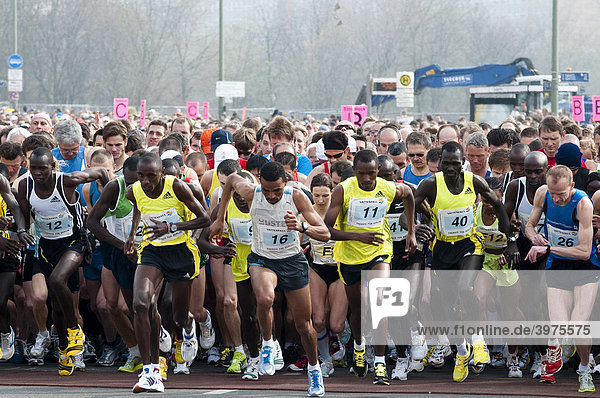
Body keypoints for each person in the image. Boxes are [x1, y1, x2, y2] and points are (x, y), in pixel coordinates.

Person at [210, 161, 331, 397]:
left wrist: (302, 226)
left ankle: (315, 371)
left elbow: (325, 233)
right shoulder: (251, 193)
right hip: (262, 258)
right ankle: (268, 345)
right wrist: (220, 216)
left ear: (285, 184)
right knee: (264, 298)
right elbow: (233, 179)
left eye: (276, 190)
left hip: (292, 260)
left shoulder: (296, 198)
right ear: (259, 185)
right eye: (266, 190)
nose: (271, 196)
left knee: (303, 325)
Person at [413, 141, 516, 383]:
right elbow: (410, 205)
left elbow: (499, 206)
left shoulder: (474, 181)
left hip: (470, 245)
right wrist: (417, 228)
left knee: (464, 288)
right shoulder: (429, 184)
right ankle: (461, 352)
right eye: (445, 163)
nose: (450, 168)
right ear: (439, 164)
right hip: (441, 248)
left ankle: (478, 341)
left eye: (455, 163)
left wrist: (510, 239)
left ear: (463, 163)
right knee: (448, 304)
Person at [324, 150, 416, 385]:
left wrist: (411, 232)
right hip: (350, 257)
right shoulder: (343, 190)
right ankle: (358, 346)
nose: (367, 179)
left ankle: (381, 363)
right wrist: (358, 236)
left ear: (378, 171)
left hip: (379, 252)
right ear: (354, 172)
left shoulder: (386, 187)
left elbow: (409, 195)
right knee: (357, 311)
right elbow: (326, 231)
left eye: (372, 173)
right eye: (362, 174)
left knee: (380, 304)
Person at [17, 147, 109, 376]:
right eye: (33, 168)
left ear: (52, 167)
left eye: (43, 169)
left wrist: (107, 202)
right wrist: (20, 229)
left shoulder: (67, 181)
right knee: (56, 308)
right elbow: (23, 211)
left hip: (74, 242)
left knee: (58, 281)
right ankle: (66, 350)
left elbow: (100, 172)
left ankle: (76, 332)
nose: (37, 173)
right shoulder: (25, 185)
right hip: (47, 246)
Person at [524, 166, 599, 392]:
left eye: (561, 195)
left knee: (578, 326)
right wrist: (534, 238)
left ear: (572, 186)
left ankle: (585, 369)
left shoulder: (583, 204)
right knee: (558, 326)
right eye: (553, 194)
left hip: (585, 268)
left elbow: (585, 251)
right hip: (557, 266)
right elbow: (529, 226)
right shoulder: (543, 194)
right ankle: (561, 346)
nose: (556, 199)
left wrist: (549, 249)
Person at [86, 156, 144, 373]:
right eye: (129, 182)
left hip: (146, 252)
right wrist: (122, 245)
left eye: (137, 182)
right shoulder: (114, 187)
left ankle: (155, 349)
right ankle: (135, 350)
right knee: (111, 306)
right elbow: (91, 223)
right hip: (116, 249)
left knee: (137, 306)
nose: (133, 187)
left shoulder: (155, 186)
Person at [472, 177, 522, 379]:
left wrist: (508, 251)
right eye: (486, 201)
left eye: (495, 201)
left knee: (509, 313)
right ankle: (481, 350)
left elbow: (517, 240)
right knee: (478, 300)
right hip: (485, 263)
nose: (490, 206)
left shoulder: (509, 215)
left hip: (506, 266)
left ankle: (513, 358)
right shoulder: (474, 211)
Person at [302, 173, 348, 378]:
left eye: (325, 196)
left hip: (339, 270)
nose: (320, 200)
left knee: (336, 325)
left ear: (332, 193)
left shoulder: (340, 212)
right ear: (311, 194)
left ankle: (345, 329)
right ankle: (326, 361)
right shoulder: (305, 214)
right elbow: (295, 239)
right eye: (317, 195)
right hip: (317, 269)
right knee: (318, 321)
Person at [0, 173, 35, 360]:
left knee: (1, 301)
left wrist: (20, 230)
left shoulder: (2, 181)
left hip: (7, 253)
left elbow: (14, 207)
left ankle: (6, 334)